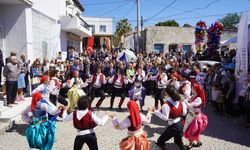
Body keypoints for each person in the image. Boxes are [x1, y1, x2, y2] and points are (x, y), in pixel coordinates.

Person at [153, 85, 187, 150]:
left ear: (166, 93)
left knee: (160, 141)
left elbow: (165, 118)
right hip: (180, 124)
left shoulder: (166, 105)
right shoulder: (180, 101)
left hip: (173, 126)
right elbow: (184, 113)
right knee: (178, 141)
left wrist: (156, 112)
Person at [183, 83, 208, 149]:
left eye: (193, 88)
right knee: (193, 131)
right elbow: (189, 97)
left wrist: (184, 101)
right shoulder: (194, 96)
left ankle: (190, 144)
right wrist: (185, 92)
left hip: (195, 118)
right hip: (191, 116)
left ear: (196, 90)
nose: (191, 89)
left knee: (192, 131)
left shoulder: (199, 99)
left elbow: (190, 105)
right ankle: (198, 142)